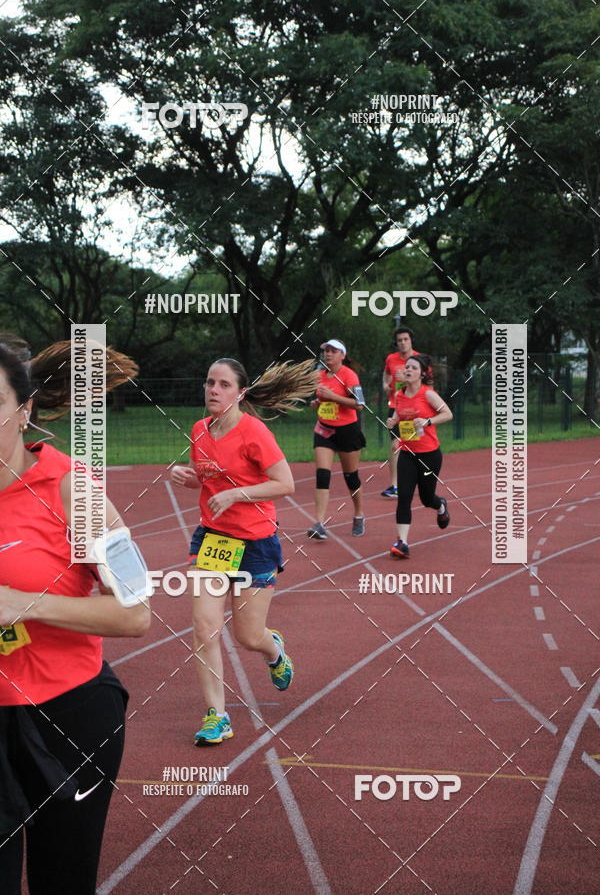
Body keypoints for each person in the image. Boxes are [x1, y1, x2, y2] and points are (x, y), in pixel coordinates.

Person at [0, 335, 149, 895]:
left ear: (25, 411)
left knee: (62, 880)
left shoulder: (74, 492)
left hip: (68, 718)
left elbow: (136, 612)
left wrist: (24, 604)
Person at [170, 358, 316, 746]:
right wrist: (187, 478)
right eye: (209, 382)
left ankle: (274, 651)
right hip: (213, 539)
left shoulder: (254, 432)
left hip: (255, 543)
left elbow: (285, 484)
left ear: (240, 393)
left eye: (223, 384)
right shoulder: (199, 430)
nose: (213, 390)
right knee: (204, 627)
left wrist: (237, 494)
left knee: (248, 636)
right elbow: (208, 479)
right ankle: (217, 715)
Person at [385, 354, 452, 558]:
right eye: (407, 367)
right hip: (407, 453)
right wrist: (393, 422)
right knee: (404, 497)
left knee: (426, 498)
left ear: (422, 374)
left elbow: (448, 414)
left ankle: (440, 505)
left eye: (413, 368)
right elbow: (399, 415)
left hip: (429, 455)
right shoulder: (399, 394)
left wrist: (427, 421)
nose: (408, 370)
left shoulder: (428, 394)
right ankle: (402, 543)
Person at [306, 339, 366, 540]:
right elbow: (323, 400)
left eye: (333, 351)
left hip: (347, 431)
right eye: (326, 351)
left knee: (351, 477)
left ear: (342, 355)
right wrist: (317, 403)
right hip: (324, 430)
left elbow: (359, 405)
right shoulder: (319, 375)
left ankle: (358, 514)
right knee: (322, 475)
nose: (328, 354)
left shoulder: (349, 375)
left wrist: (333, 397)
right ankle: (319, 523)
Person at [380, 327, 431, 498]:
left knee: (415, 444)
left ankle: (420, 477)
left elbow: (429, 384)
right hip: (396, 407)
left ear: (411, 341)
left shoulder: (420, 359)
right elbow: (386, 374)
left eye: (405, 339)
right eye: (399, 340)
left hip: (415, 408)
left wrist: (409, 380)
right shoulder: (391, 359)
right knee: (395, 445)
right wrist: (386, 384)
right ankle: (395, 485)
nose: (402, 343)